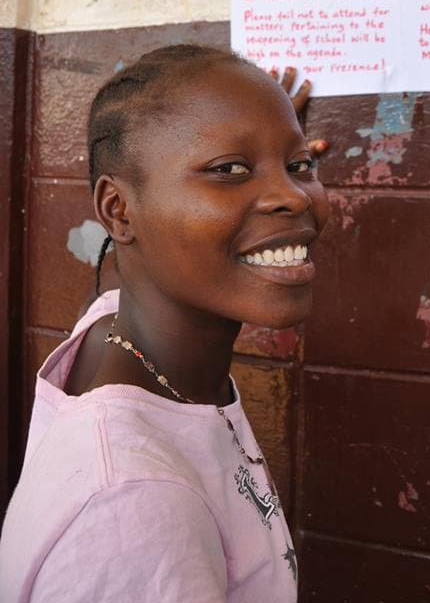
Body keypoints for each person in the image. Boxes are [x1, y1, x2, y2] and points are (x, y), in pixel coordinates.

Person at [0, 44, 329, 602]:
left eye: (299, 167)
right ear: (119, 212)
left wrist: (260, 142)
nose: (293, 196)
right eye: (228, 170)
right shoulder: (135, 511)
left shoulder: (114, 329)